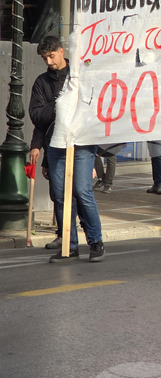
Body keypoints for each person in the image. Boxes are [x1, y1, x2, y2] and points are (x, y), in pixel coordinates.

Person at [28, 36, 105, 263]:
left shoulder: (79, 76)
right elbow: (37, 117)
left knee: (82, 191)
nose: (49, 62)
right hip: (56, 145)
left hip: (81, 143)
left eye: (51, 56)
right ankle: (69, 245)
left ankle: (96, 241)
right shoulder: (42, 82)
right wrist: (62, 103)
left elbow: (91, 109)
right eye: (45, 58)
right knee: (61, 196)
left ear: (61, 52)